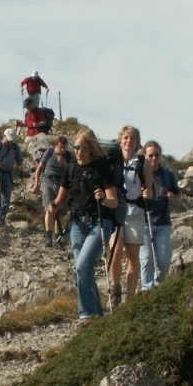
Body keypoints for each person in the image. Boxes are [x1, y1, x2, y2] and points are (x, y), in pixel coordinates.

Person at [46, 128, 119, 321]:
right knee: (83, 269)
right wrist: (54, 206)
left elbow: (114, 201)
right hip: (77, 224)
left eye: (84, 149)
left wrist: (103, 199)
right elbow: (61, 198)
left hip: (100, 222)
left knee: (83, 265)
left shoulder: (101, 168)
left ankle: (86, 315)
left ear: (91, 149)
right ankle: (97, 315)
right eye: (76, 148)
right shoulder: (70, 168)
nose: (79, 152)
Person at [107, 125, 152, 307]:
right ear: (121, 140)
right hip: (116, 211)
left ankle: (130, 298)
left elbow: (149, 189)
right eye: (126, 137)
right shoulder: (112, 160)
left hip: (135, 212)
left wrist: (148, 193)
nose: (128, 141)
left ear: (137, 142)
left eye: (132, 138)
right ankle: (116, 289)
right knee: (115, 251)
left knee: (133, 258)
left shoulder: (143, 163)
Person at [139, 140, 181, 290]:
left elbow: (178, 194)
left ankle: (159, 287)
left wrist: (172, 196)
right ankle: (147, 290)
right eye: (150, 155)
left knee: (164, 260)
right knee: (147, 259)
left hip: (162, 222)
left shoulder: (167, 175)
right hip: (144, 222)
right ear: (145, 156)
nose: (154, 158)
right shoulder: (139, 174)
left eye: (157, 155)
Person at [31, 135, 72, 245]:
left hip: (62, 184)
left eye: (64, 148)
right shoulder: (49, 152)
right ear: (56, 146)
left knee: (60, 212)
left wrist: (65, 163)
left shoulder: (68, 156)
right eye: (60, 147)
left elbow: (72, 171)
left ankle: (58, 237)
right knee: (49, 209)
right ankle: (48, 236)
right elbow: (39, 168)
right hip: (48, 182)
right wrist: (36, 184)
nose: (62, 150)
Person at [0, 128, 24, 225]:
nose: (9, 142)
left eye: (11, 140)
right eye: (8, 140)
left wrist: (20, 165)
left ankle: (1, 218)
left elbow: (19, 159)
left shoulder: (15, 147)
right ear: (4, 136)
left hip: (8, 173)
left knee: (6, 197)